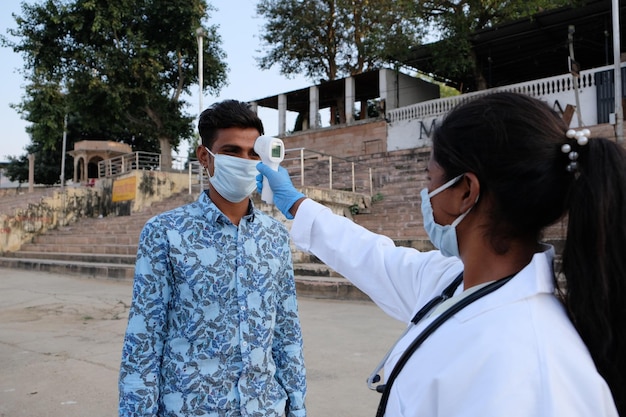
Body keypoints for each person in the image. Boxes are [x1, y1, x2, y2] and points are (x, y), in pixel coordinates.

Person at [257, 92, 624, 416]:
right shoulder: (454, 284)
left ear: (465, 191)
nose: (426, 191)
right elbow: (372, 257)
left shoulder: (533, 370)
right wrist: (296, 204)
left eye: (430, 177)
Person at [119, 100, 307, 417]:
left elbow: (287, 333)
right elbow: (144, 339)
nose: (246, 162)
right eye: (232, 151)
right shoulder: (165, 232)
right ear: (205, 156)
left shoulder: (275, 236)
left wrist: (297, 406)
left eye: (253, 153)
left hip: (265, 408)